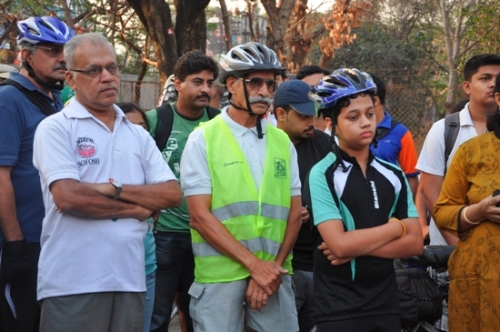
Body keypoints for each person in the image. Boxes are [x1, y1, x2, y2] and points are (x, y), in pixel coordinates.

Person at [32, 33, 182, 332]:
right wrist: (137, 209)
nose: (107, 77)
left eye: (112, 68)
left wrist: (115, 189)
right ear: (71, 79)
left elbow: (171, 194)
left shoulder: (137, 133)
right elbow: (70, 197)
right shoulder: (56, 129)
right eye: (94, 70)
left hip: (130, 277)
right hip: (72, 282)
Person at [180, 42, 301, 332]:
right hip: (221, 278)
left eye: (271, 83)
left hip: (274, 275)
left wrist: (269, 270)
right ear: (232, 84)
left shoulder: (283, 142)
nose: (265, 91)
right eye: (255, 82)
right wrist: (254, 266)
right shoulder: (203, 139)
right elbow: (199, 216)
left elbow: (294, 215)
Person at [305, 68, 423, 332]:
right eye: (353, 117)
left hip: (387, 305)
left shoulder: (393, 173)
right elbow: (338, 244)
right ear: (329, 123)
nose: (366, 122)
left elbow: (415, 242)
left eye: (370, 114)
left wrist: (353, 244)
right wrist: (396, 228)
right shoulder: (321, 174)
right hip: (337, 309)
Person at [0, 16, 74, 332]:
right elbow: (1, 177)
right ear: (27, 56)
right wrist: (16, 243)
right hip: (23, 243)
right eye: (51, 50)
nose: (62, 58)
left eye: (66, 50)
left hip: (53, 240)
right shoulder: (8, 100)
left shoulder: (55, 99)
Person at [147, 50, 219, 332]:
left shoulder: (219, 123)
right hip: (165, 233)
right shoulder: (157, 121)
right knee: (158, 312)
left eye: (210, 83)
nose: (205, 89)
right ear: (177, 83)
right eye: (197, 81)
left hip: (209, 234)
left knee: (200, 311)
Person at [433, 73, 500, 332]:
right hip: (478, 280)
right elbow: (442, 211)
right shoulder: (470, 152)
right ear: (498, 99)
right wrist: (478, 211)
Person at [417, 54, 500, 247]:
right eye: (485, 78)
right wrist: (459, 248)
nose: (493, 84)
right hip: (450, 251)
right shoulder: (443, 130)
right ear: (467, 87)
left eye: (498, 78)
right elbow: (432, 195)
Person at [274, 79, 333, 332]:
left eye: (313, 113)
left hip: (322, 262)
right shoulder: (265, 146)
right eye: (302, 115)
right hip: (283, 264)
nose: (311, 121)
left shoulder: (323, 143)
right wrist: (287, 212)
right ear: (280, 114)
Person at [118, 102, 156, 332]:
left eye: (143, 126)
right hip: (112, 269)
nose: (139, 133)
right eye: (132, 126)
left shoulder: (153, 162)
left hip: (146, 265)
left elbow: (169, 195)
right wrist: (142, 206)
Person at [368, 72, 419, 199]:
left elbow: (411, 179)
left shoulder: (401, 133)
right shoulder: (351, 131)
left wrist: (403, 213)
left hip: (391, 211)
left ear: (375, 101)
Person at [296, 65, 331, 135]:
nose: (317, 92)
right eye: (310, 88)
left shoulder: (342, 123)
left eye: (321, 86)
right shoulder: (296, 129)